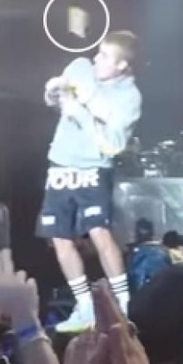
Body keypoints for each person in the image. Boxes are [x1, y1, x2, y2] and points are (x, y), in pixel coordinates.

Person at [39, 30, 143, 332]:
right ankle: (84, 306)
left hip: (93, 167)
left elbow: (113, 143)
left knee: (99, 233)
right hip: (61, 163)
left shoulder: (129, 98)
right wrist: (53, 92)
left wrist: (81, 111)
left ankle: (123, 304)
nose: (97, 59)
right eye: (98, 52)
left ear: (122, 65)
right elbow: (55, 99)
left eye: (105, 56)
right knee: (59, 237)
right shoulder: (81, 68)